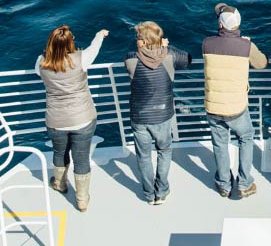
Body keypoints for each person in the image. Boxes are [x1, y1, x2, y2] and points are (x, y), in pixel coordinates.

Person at [36, 25, 109, 212]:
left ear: (50, 43)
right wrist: (99, 35)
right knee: (81, 158)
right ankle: (82, 199)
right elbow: (94, 49)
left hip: (56, 120)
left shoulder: (41, 62)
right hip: (83, 118)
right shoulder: (81, 59)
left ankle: (60, 184)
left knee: (60, 153)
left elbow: (40, 72)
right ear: (70, 42)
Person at [203, 3, 268, 199]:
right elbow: (262, 63)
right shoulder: (246, 46)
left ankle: (224, 185)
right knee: (246, 138)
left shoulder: (206, 43)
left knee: (220, 144)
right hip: (237, 107)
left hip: (213, 105)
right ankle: (245, 183)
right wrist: (247, 44)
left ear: (221, 25)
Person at [125, 21, 192, 205]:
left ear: (145, 42)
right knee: (164, 151)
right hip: (163, 116)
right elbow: (188, 58)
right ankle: (161, 191)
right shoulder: (169, 56)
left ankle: (149, 194)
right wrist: (166, 47)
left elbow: (139, 59)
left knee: (144, 156)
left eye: (138, 38)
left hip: (139, 117)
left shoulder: (131, 59)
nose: (136, 40)